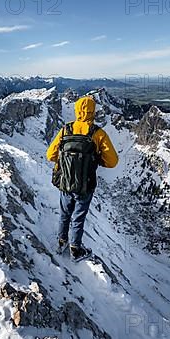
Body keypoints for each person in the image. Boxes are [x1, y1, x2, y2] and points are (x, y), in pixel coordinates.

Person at [46, 96, 119, 261]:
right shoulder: (98, 133)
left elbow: (50, 155)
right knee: (78, 217)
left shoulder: (66, 129)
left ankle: (61, 241)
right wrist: (97, 159)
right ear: (93, 112)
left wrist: (65, 161)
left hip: (65, 182)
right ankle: (75, 249)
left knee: (65, 213)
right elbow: (113, 161)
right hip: (85, 185)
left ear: (76, 110)